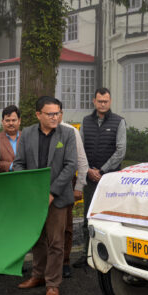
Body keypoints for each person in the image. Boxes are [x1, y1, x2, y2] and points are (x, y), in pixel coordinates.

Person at [14, 96, 77, 295]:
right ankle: (38, 276)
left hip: (56, 199)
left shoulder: (67, 133)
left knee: (56, 242)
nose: (55, 117)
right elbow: (19, 163)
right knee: (37, 239)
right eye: (50, 114)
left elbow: (70, 166)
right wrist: (31, 190)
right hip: (33, 197)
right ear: (38, 114)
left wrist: (51, 193)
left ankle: (52, 284)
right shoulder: (27, 134)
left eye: (58, 113)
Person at [77, 87, 126, 267]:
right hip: (90, 179)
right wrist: (89, 170)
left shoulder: (119, 122)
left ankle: (110, 257)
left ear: (110, 101)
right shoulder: (86, 121)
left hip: (110, 180)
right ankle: (86, 254)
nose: (103, 104)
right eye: (100, 101)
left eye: (106, 101)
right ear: (94, 101)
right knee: (88, 217)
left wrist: (102, 171)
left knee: (108, 218)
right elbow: (80, 149)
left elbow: (121, 151)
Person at [60, 118, 88, 278]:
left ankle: (64, 261)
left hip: (66, 185)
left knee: (66, 226)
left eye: (56, 112)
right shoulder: (37, 131)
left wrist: (79, 187)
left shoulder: (71, 131)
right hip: (44, 185)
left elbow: (82, 162)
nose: (52, 116)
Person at [0, 105, 21, 173]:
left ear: (19, 121)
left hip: (24, 179)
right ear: (2, 121)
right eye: (7, 120)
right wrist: (10, 166)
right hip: (4, 180)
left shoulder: (26, 137)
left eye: (13, 120)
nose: (11, 123)